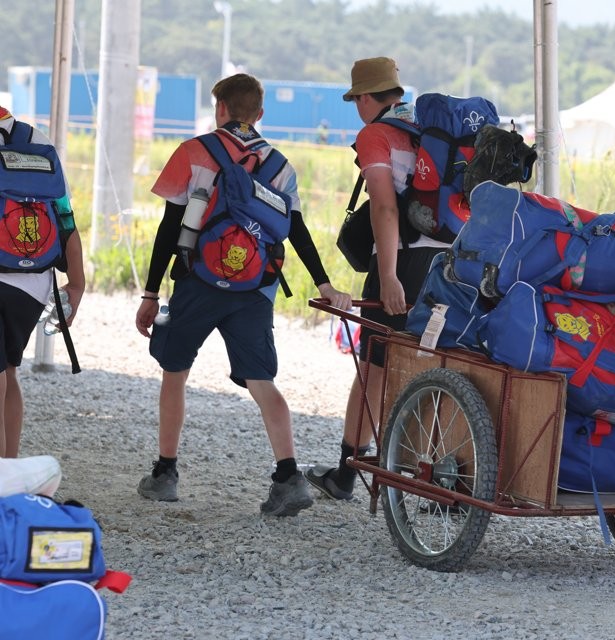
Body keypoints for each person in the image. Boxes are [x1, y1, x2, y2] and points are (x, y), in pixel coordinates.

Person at [134, 74, 352, 517]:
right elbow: (297, 231)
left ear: (220, 109)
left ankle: (165, 474)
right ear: (260, 114)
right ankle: (288, 477)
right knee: (262, 381)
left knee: (175, 371)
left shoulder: (194, 152)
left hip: (197, 283)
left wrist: (151, 292)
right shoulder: (281, 166)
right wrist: (324, 283)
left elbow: (169, 228)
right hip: (254, 288)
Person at [305, 57, 448, 501]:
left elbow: (384, 207)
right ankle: (442, 475)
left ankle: (349, 472)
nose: (357, 109)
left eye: (355, 100)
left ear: (366, 97)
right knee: (430, 364)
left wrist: (387, 275)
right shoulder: (430, 130)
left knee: (374, 367)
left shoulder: (376, 134)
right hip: (447, 264)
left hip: (403, 262)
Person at [0, 107, 85, 459]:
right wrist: (77, 283)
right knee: (8, 370)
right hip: (32, 283)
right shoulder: (36, 139)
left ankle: (3, 484)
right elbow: (63, 214)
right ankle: (10, 470)